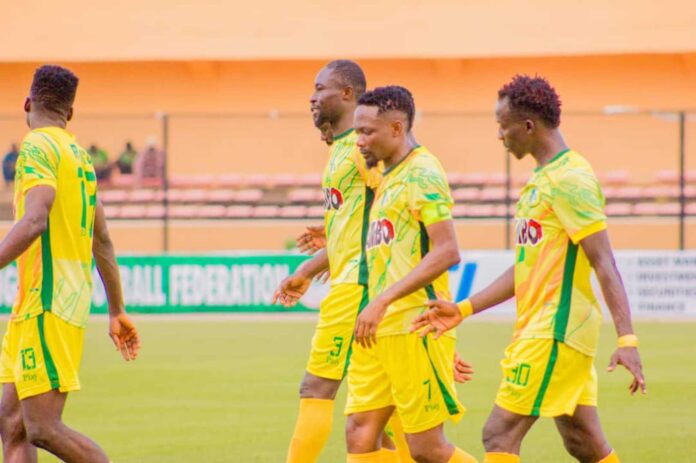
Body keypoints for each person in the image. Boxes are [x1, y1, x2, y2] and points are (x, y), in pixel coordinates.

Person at [412, 75, 646, 463]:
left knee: (498, 433)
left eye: (502, 127)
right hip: (546, 328)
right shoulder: (542, 180)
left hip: (555, 330)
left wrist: (628, 341)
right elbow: (526, 270)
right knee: (583, 441)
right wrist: (464, 309)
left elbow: (603, 261)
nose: (500, 136)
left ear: (528, 126)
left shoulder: (571, 179)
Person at [0, 64, 141, 463]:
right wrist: (117, 309)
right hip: (39, 303)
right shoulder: (79, 157)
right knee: (12, 423)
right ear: (70, 114)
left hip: (48, 302)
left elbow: (34, 221)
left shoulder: (36, 146)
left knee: (42, 427)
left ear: (27, 103)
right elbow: (103, 240)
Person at [345, 85, 478, 463]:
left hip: (411, 326)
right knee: (360, 434)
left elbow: (447, 250)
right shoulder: (387, 178)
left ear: (397, 128)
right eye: (356, 132)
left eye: (367, 132)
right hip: (379, 330)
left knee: (425, 448)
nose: (359, 141)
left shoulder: (422, 173)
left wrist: (384, 302)